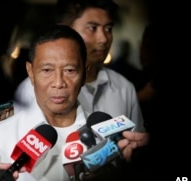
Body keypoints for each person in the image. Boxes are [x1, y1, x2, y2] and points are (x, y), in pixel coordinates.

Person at [0, 24, 146, 181]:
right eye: (46, 70)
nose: (58, 83)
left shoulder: (112, 139)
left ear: (85, 73)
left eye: (70, 70)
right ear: (30, 71)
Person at [14, 0, 149, 150]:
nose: (104, 38)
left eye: (108, 29)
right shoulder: (31, 91)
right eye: (92, 28)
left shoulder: (123, 87)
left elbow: (137, 141)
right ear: (65, 30)